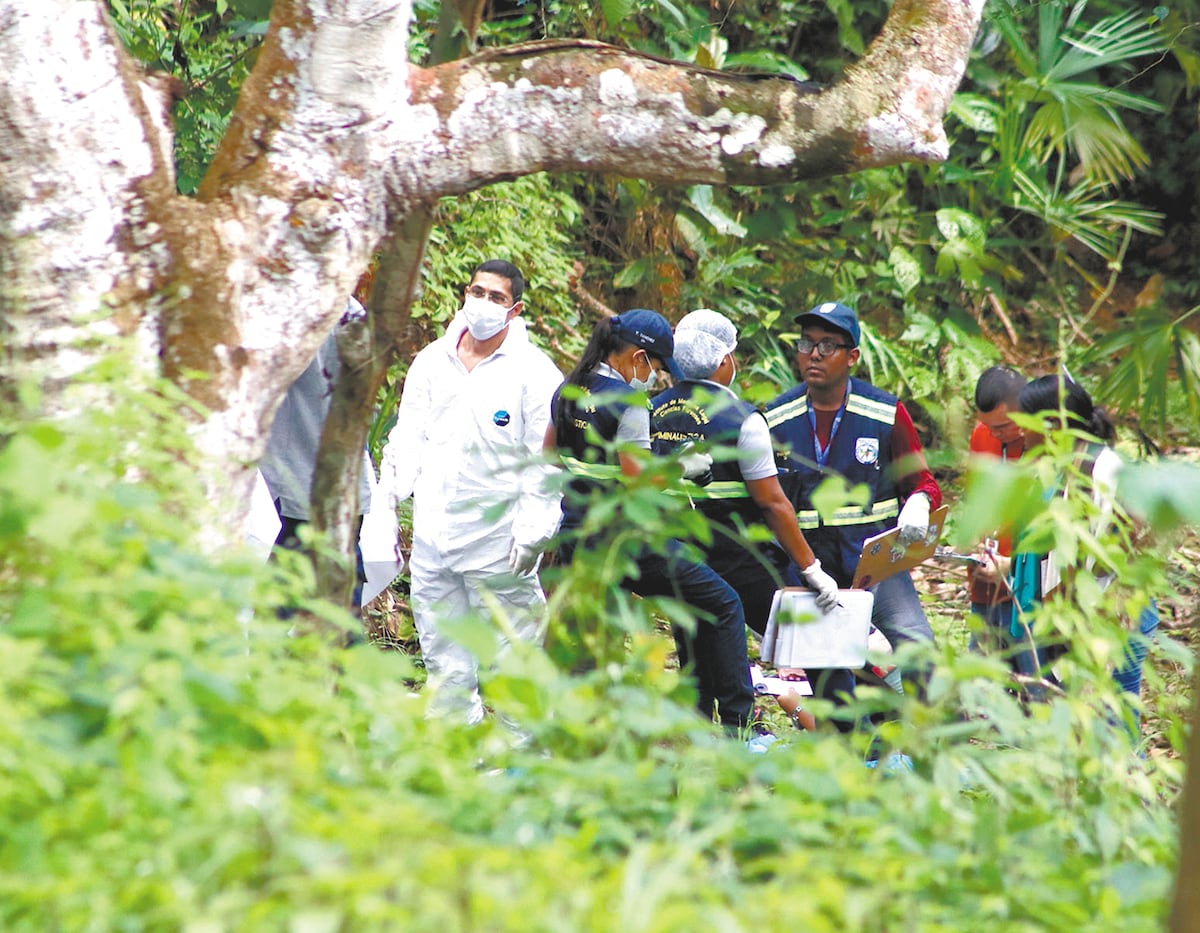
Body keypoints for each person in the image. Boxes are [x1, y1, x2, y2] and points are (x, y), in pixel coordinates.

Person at [545, 309, 756, 735]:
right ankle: (738, 726)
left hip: (577, 536)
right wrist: (683, 467)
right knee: (723, 602)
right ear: (639, 357)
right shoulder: (630, 403)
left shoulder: (569, 388)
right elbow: (638, 482)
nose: (655, 378)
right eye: (656, 368)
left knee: (592, 649)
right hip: (627, 542)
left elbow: (550, 454)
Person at [377, 259, 564, 725]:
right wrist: (388, 498)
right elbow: (409, 434)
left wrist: (535, 529)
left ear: (515, 310)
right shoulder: (432, 361)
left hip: (498, 544)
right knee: (444, 655)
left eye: (496, 297)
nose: (483, 303)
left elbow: (543, 460)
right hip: (434, 536)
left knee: (514, 655)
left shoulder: (534, 374)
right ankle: (456, 741)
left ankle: (522, 749)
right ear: (465, 293)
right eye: (477, 292)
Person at [649, 309, 840, 728]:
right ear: (723, 360)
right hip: (743, 558)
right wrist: (811, 568)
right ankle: (844, 732)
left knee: (696, 649)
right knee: (810, 638)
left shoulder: (652, 410)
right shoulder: (742, 419)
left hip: (680, 555)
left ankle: (698, 737)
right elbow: (772, 502)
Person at [764, 301, 943, 721]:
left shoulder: (883, 412)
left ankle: (928, 741)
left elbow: (922, 481)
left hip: (874, 564)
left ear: (853, 356)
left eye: (828, 345)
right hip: (810, 566)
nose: (814, 355)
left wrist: (918, 503)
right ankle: (857, 744)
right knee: (832, 671)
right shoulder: (776, 418)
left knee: (917, 647)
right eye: (807, 344)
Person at [980, 375, 1159, 714]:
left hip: (1114, 616)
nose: (1021, 432)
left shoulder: (1106, 469)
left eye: (1026, 422)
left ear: (1052, 424)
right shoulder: (1062, 467)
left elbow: (1125, 545)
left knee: (1113, 720)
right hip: (1078, 621)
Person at [260, 297, 374, 614]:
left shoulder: (337, 315)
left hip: (303, 493)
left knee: (281, 614)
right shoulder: (349, 312)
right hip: (320, 490)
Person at [966, 365, 1027, 661]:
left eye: (1002, 427)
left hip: (1027, 582)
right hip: (986, 581)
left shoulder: (1044, 443)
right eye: (987, 426)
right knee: (982, 670)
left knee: (1029, 670)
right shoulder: (982, 435)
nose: (994, 434)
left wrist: (1011, 564)